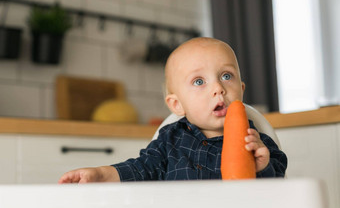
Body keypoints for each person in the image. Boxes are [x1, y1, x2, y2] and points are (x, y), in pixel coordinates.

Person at [58, 37, 287, 183]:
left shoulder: (257, 143)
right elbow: (140, 170)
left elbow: (279, 186)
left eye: (226, 76)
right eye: (199, 81)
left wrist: (263, 167)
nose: (218, 88)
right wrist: (100, 174)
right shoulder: (169, 140)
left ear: (242, 89)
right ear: (177, 105)